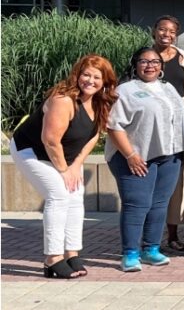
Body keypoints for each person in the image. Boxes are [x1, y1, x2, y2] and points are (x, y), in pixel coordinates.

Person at [11, 55, 118, 279]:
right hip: (32, 151)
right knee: (59, 195)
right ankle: (52, 258)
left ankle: (72, 253)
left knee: (76, 196)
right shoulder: (63, 99)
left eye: (97, 77)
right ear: (77, 75)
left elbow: (93, 136)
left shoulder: (100, 102)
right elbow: (50, 140)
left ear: (105, 81)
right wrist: (64, 171)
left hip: (66, 157)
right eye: (86, 74)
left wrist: (76, 165)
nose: (90, 80)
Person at [105, 48, 184, 271]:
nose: (150, 65)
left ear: (162, 66)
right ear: (135, 65)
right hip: (135, 156)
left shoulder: (168, 88)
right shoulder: (124, 91)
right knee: (137, 205)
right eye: (144, 61)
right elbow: (113, 126)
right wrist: (131, 155)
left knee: (159, 205)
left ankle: (151, 249)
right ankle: (130, 253)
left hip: (169, 155)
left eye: (155, 61)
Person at [150, 15, 184, 252]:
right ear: (154, 31)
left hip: (179, 128)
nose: (166, 35)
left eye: (171, 31)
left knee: (175, 182)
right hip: (149, 128)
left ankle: (172, 235)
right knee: (149, 181)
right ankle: (148, 236)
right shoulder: (144, 57)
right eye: (162, 30)